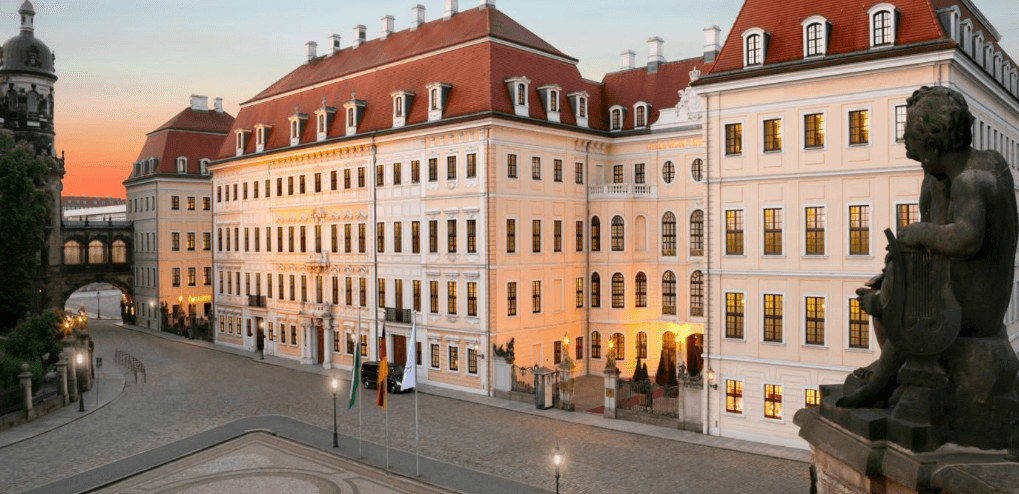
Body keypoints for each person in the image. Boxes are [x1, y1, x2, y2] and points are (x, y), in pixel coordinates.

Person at [839, 86, 1018, 408]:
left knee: (894, 298)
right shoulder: (986, 162)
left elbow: (966, 237)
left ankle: (881, 383)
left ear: (934, 148)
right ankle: (887, 362)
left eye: (918, 153)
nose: (915, 159)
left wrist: (919, 232)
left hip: (974, 310)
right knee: (890, 280)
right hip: (974, 294)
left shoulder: (970, 181)